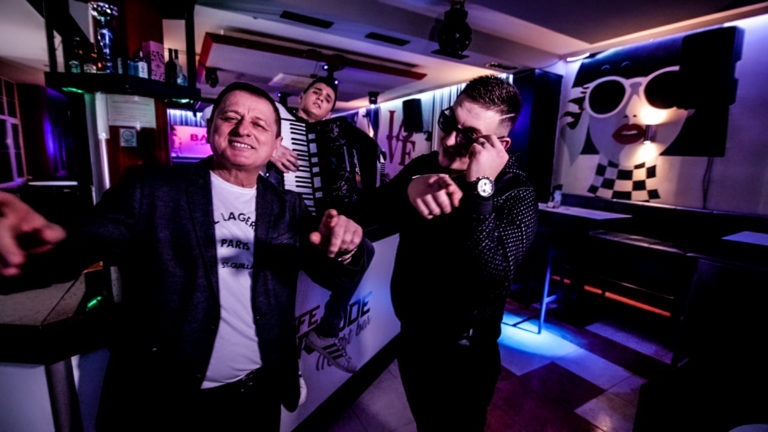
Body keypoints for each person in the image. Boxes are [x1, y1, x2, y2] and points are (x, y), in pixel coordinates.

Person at [0, 82, 374, 432]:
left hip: (256, 396)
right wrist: (43, 240)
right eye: (231, 117)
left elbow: (335, 275)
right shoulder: (151, 190)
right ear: (211, 128)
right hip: (163, 402)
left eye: (259, 124)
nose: (244, 129)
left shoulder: (289, 207)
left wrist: (347, 247)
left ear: (276, 143)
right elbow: (80, 243)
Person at [356, 75, 538, 431]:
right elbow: (370, 210)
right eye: (449, 122)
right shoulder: (424, 167)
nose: (450, 139)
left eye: (469, 136)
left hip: (463, 356)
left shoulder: (516, 191)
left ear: (500, 144)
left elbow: (492, 273)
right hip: (412, 337)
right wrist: (408, 189)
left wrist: (480, 188)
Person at [266, 76, 363, 374]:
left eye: (328, 98)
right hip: (274, 220)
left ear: (330, 112)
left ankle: (326, 331)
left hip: (309, 226)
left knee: (364, 251)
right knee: (277, 284)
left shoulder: (331, 137)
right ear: (301, 97)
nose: (321, 97)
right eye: (316, 92)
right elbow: (213, 114)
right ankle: (282, 367)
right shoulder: (275, 118)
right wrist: (269, 149)